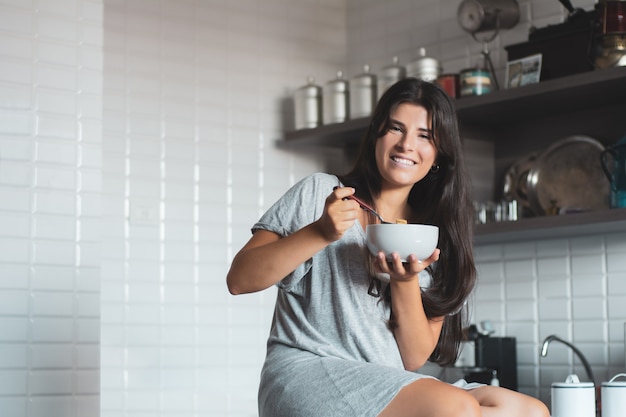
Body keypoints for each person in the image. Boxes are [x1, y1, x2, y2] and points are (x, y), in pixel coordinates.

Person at [227, 78, 549, 417]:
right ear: (377, 136)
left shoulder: (433, 237)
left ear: (438, 155)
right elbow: (239, 279)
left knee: (528, 411)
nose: (407, 144)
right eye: (395, 129)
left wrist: (406, 282)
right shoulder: (324, 194)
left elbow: (412, 359)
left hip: (385, 378)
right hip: (306, 372)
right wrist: (320, 232)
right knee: (457, 409)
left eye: (424, 136)